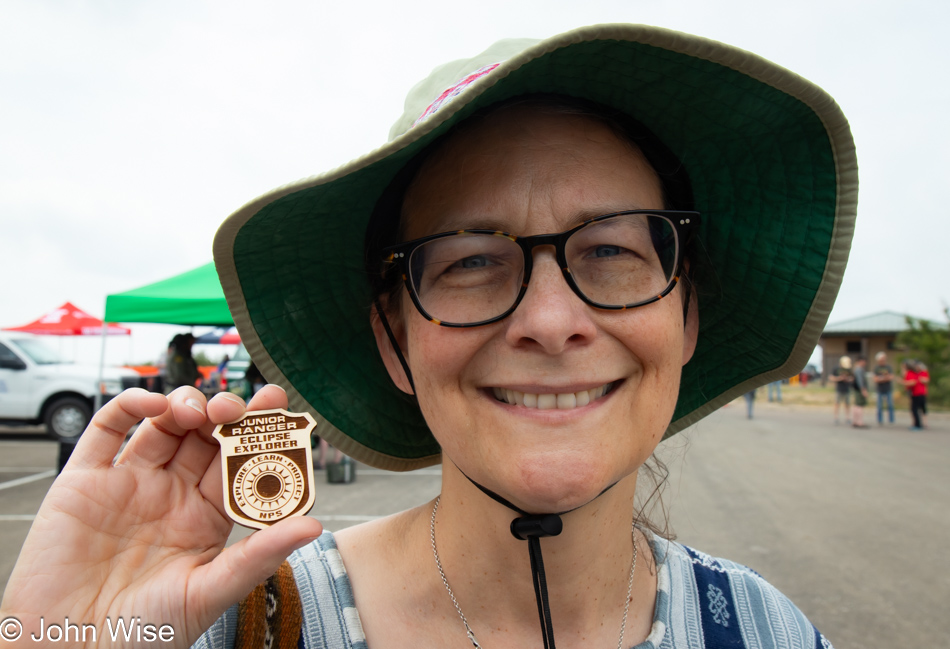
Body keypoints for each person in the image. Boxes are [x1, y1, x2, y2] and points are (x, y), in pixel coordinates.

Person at [1, 25, 857, 649]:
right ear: (392, 338)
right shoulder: (231, 627)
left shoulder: (767, 631)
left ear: (687, 315)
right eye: (472, 261)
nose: (552, 322)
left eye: (612, 249)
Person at [829, 355, 854, 425]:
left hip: (847, 389)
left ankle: (848, 418)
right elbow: (831, 377)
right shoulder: (836, 369)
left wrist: (847, 379)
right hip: (839, 389)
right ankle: (836, 417)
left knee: (847, 404)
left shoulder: (848, 369)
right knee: (837, 403)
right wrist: (839, 378)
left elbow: (852, 378)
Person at [905, 360, 929, 430]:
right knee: (914, 409)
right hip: (915, 393)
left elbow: (926, 380)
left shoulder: (922, 372)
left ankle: (918, 424)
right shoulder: (914, 373)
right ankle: (917, 424)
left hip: (920, 393)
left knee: (917, 409)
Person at [872, 351, 895, 425]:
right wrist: (884, 378)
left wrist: (882, 378)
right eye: (882, 359)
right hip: (880, 389)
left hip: (888, 389)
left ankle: (891, 420)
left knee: (890, 405)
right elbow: (875, 379)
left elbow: (891, 377)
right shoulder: (876, 368)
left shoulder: (888, 367)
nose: (883, 360)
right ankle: (880, 420)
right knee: (879, 406)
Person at [851, 356, 869, 429]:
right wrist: (863, 390)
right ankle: (859, 422)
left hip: (857, 389)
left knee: (856, 405)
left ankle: (855, 421)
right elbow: (860, 381)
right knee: (859, 405)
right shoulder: (859, 369)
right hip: (859, 389)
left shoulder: (856, 369)